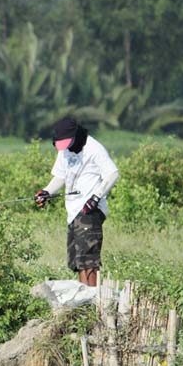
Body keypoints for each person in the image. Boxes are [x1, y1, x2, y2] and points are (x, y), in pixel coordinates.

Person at [34, 117, 119, 287]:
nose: (65, 148)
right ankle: (84, 299)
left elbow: (113, 173)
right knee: (78, 261)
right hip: (73, 212)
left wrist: (95, 198)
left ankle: (93, 299)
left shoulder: (94, 149)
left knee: (88, 261)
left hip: (90, 211)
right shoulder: (64, 150)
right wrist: (47, 192)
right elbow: (60, 176)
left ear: (76, 135)